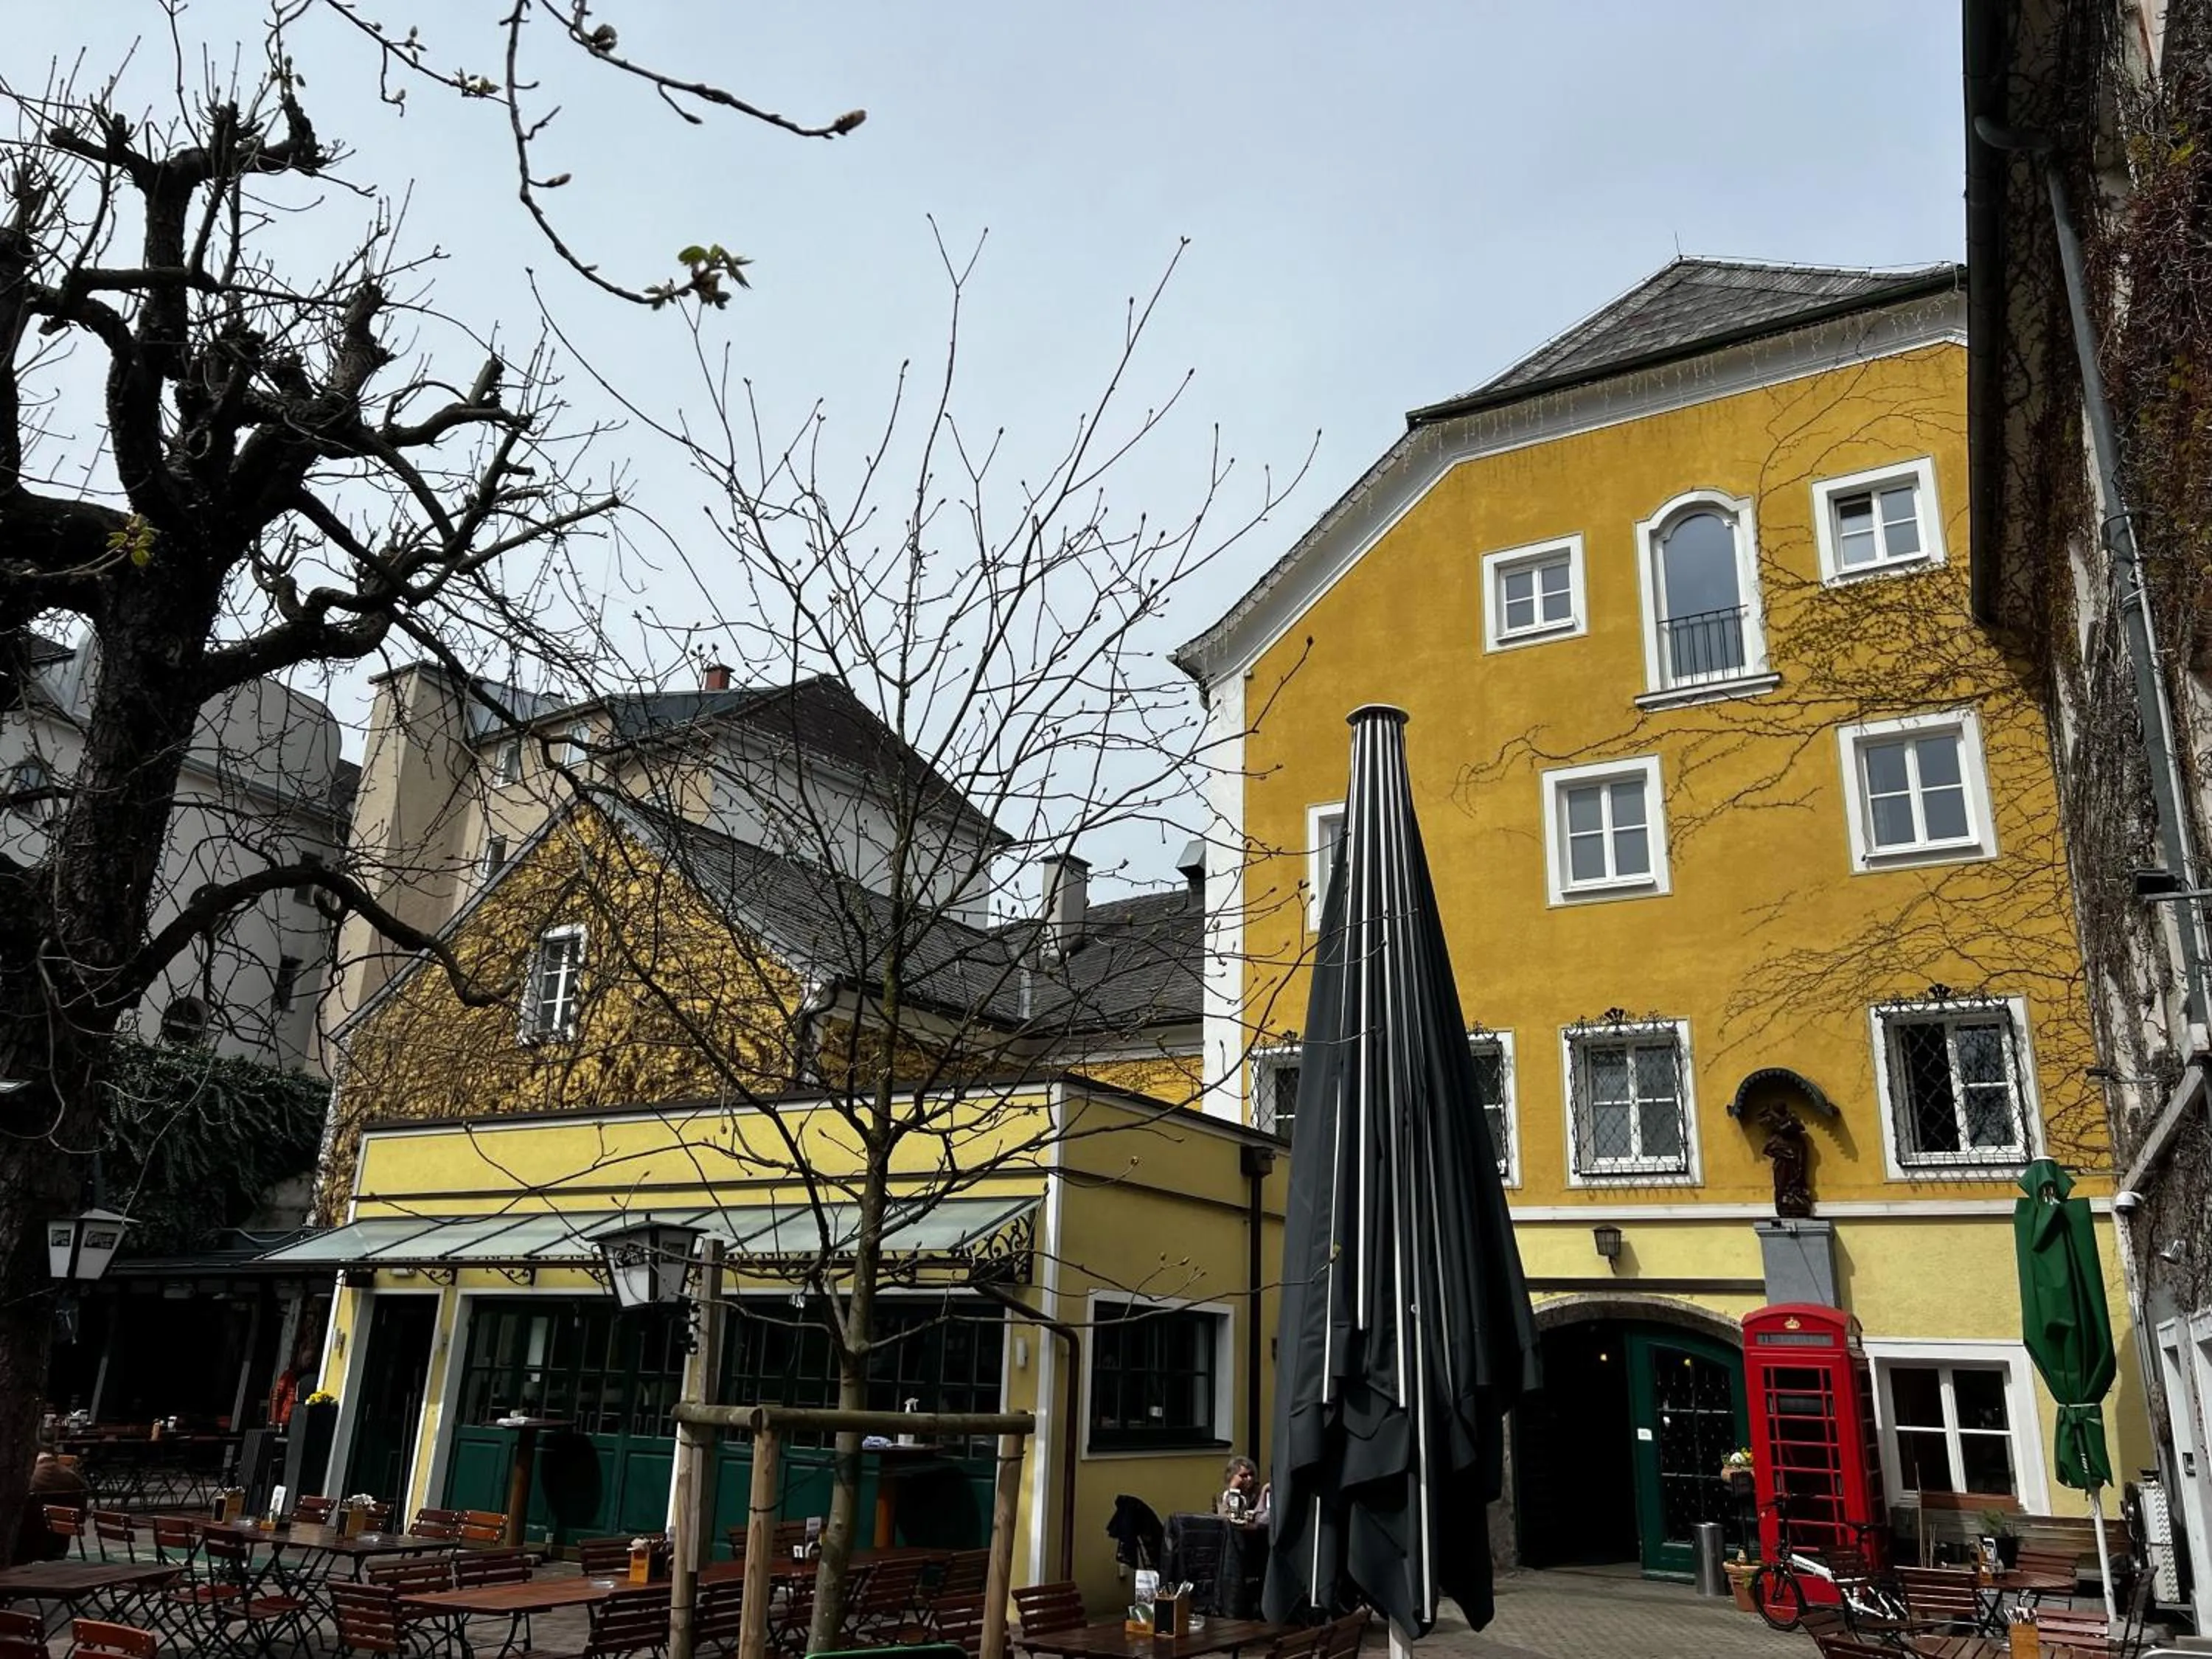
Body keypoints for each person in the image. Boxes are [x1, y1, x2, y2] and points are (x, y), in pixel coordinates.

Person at [13, 1428, 89, 1565]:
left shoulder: (29, 1478)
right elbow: (82, 1513)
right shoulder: (71, 1477)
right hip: (59, 1544)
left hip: (24, 1546)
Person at [1217, 1455, 1269, 1523]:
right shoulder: (1226, 1496)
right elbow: (1226, 1517)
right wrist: (1233, 1488)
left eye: (1251, 1474)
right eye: (1244, 1476)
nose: (1249, 1479)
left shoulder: (1259, 1493)